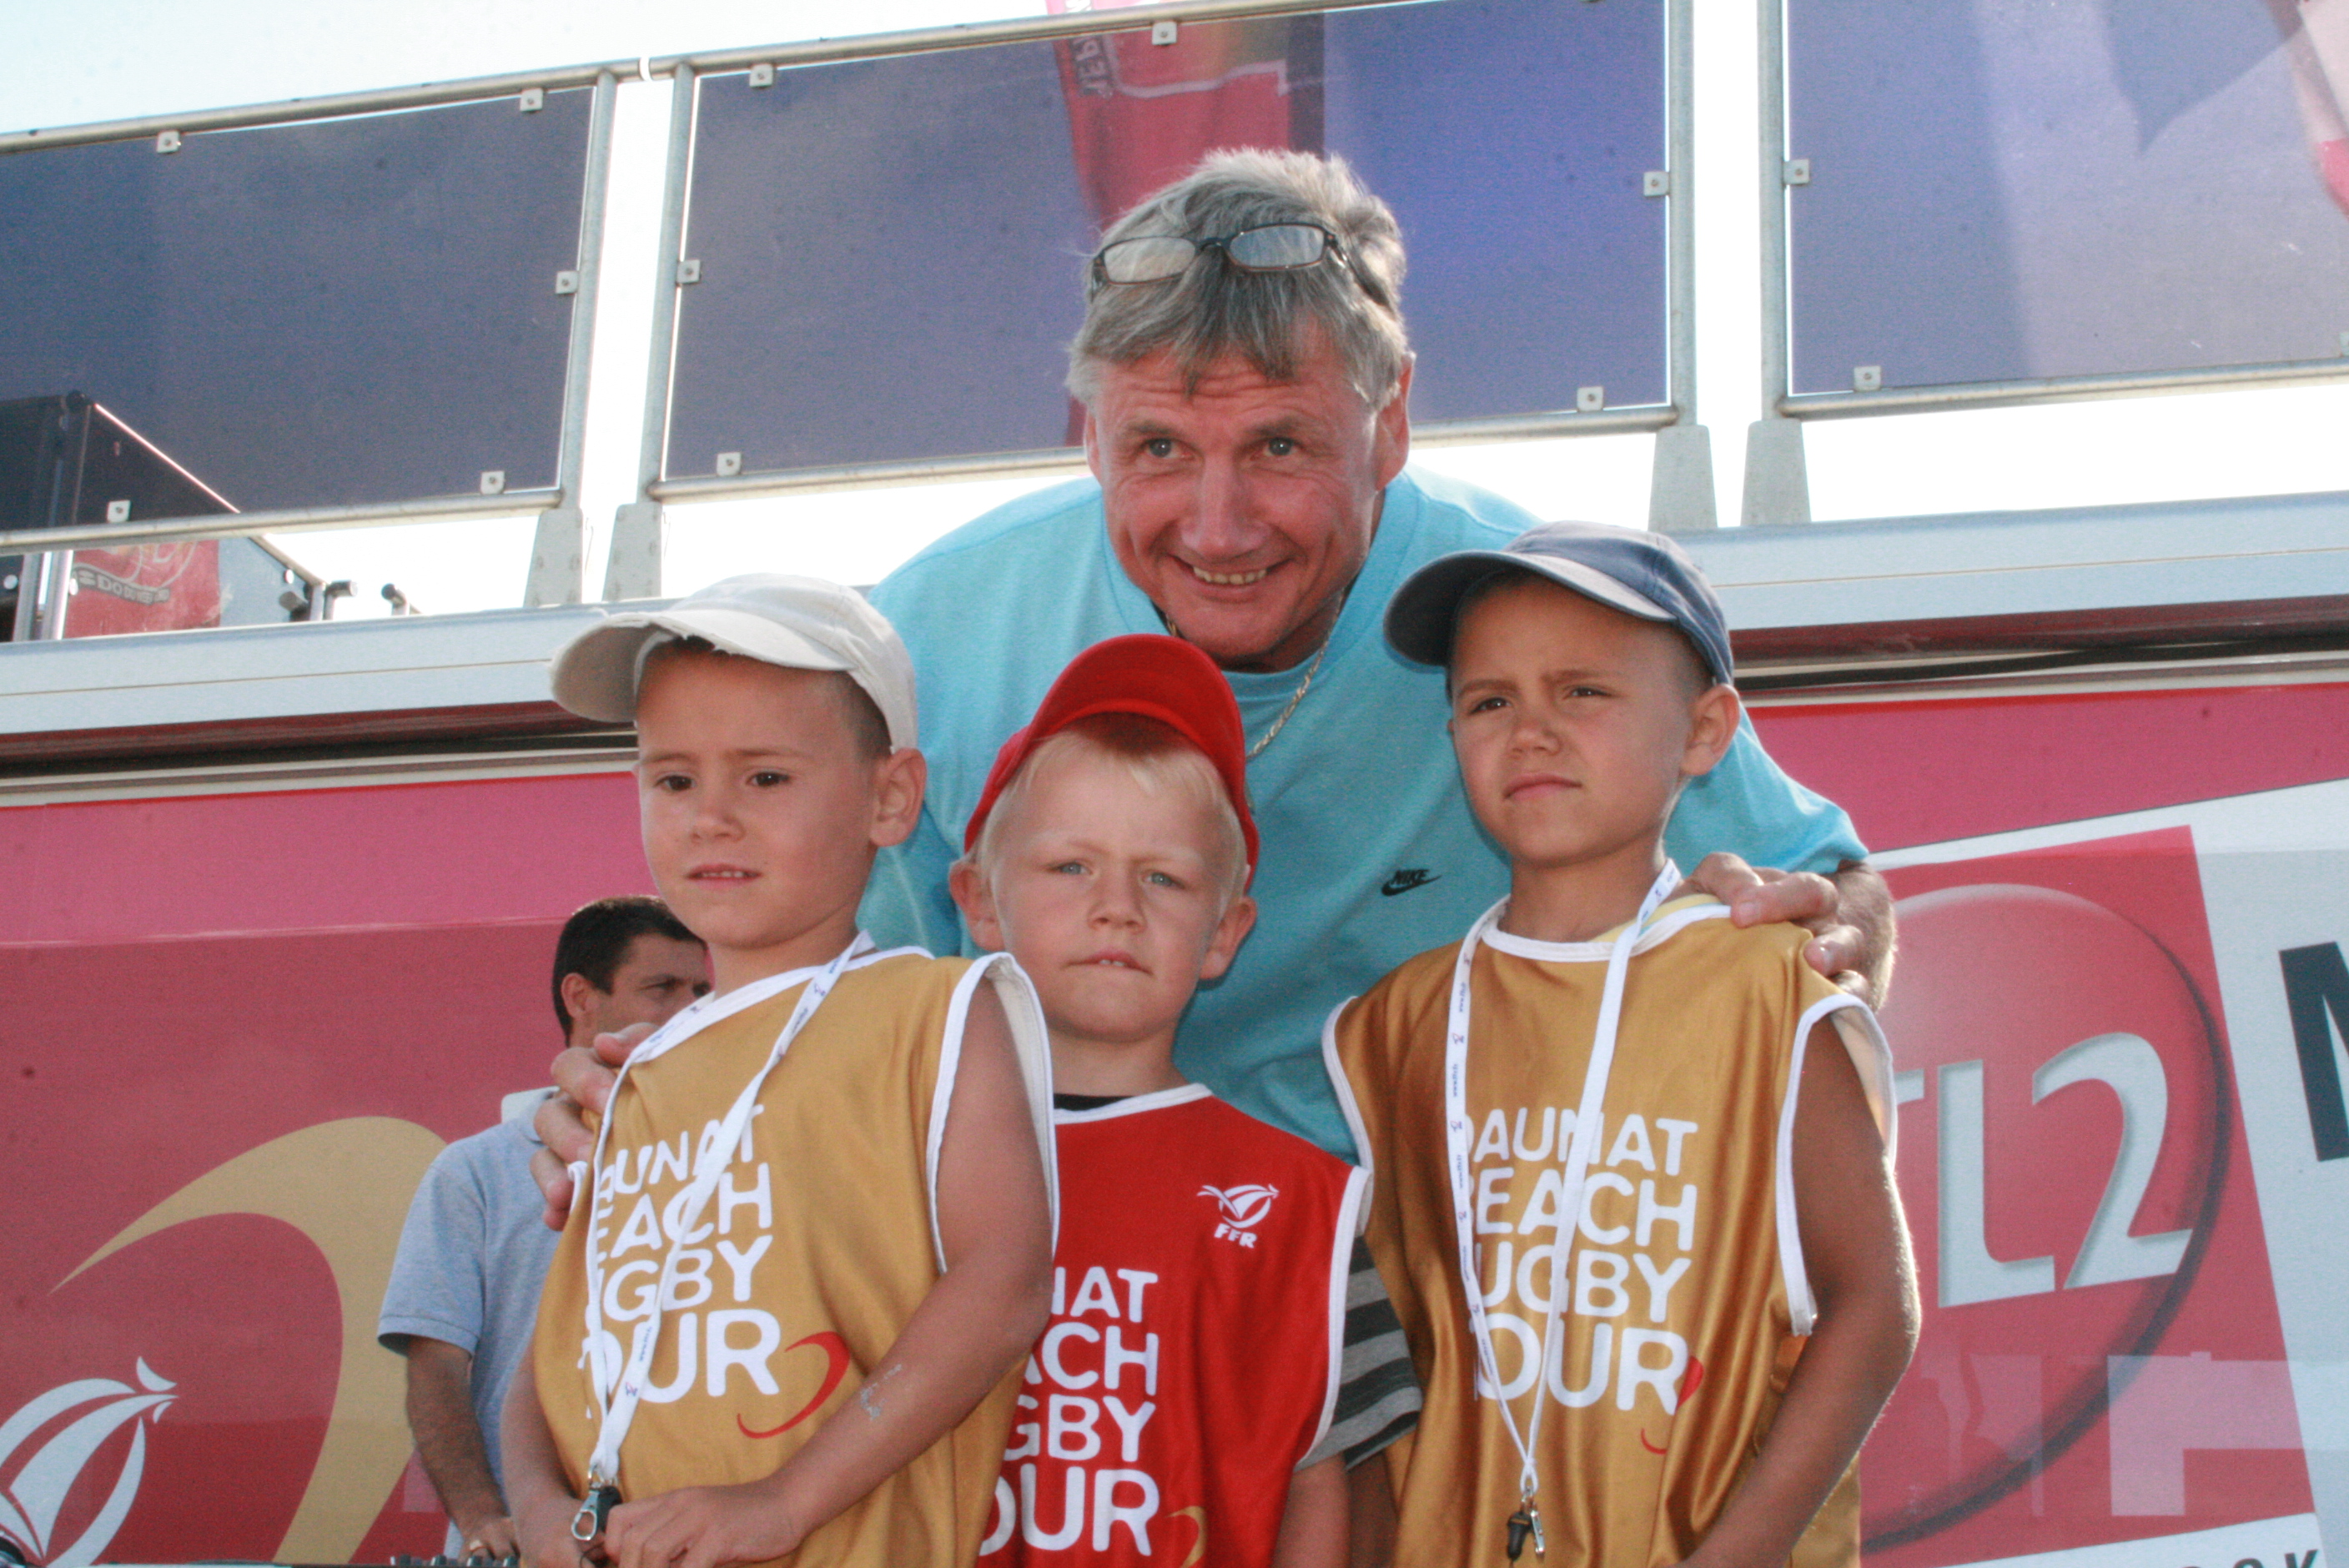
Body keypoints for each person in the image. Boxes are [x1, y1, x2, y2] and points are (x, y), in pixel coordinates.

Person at [852, 148, 1890, 1164]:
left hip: (1431, 1235)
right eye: (1158, 447)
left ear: (1388, 421)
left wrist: (1804, 953)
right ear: (1090, 437)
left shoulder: (1538, 608)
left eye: (1278, 446)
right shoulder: (932, 635)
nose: (1217, 528)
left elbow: (1833, 887)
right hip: (1045, 1227)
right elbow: (854, 1027)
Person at [1328, 522, 1917, 1565]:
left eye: (1583, 691)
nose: (1530, 732)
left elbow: (1872, 1306)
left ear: (1703, 730)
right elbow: (1380, 1379)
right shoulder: (1393, 1024)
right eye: (1488, 701)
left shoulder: (1763, 985)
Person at [502, 575, 1057, 1568]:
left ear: (889, 797)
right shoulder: (629, 1074)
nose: (711, 817)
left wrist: (783, 1501)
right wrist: (542, 1508)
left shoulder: (935, 1011)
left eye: (763, 777)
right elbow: (553, 1351)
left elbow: (1003, 1283)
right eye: (673, 780)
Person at [947, 635, 1401, 1567]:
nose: (1117, 905)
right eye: (1070, 866)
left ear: (1224, 932)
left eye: (1164, 877)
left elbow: (1324, 1483)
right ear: (979, 901)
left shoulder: (1301, 1204)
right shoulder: (888, 1153)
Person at [377, 896, 708, 1562]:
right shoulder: (474, 1171)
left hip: (684, 1539)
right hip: (530, 1549)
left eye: (701, 992)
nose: (689, 1011)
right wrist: (486, 1519)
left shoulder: (727, 1158)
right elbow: (436, 1372)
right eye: (661, 988)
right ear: (580, 997)